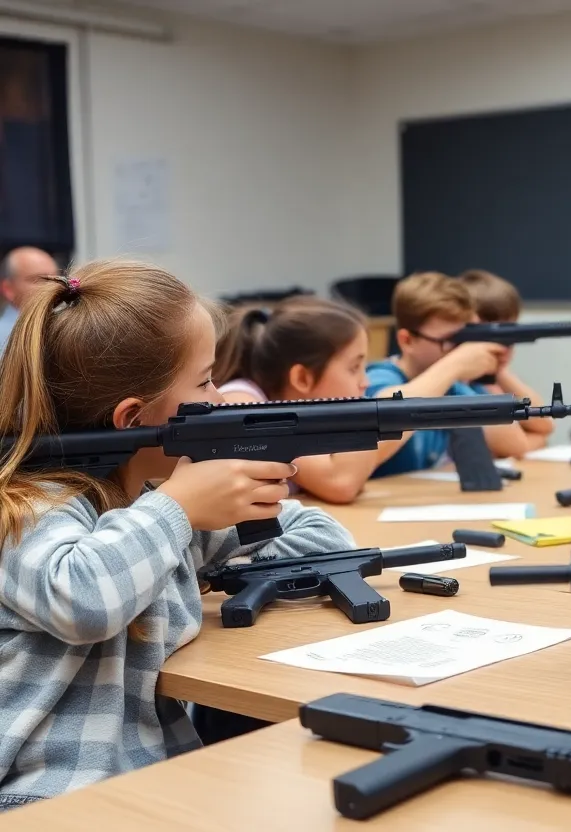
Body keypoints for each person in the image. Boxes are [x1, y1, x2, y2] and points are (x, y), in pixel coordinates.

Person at [0, 259, 355, 809]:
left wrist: (257, 490)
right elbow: (81, 599)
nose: (219, 397)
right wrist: (180, 505)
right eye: (206, 380)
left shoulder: (153, 512)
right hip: (47, 801)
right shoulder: (21, 508)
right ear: (133, 417)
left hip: (150, 784)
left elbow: (324, 541)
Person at [213, 296, 408, 503]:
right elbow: (342, 482)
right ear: (302, 378)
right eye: (353, 368)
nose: (365, 383)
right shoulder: (243, 404)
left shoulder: (308, 417)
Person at [365, 272, 528, 476]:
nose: (460, 350)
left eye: (464, 340)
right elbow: (382, 418)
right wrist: (455, 365)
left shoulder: (452, 386)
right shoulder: (380, 377)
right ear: (407, 341)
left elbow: (516, 446)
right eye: (448, 341)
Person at [457, 268, 554, 451]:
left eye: (511, 338)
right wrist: (537, 441)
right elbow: (519, 447)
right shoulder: (462, 386)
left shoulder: (492, 382)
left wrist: (500, 372)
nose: (505, 348)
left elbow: (545, 424)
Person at [0, 246, 58, 352]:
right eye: (39, 279)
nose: (52, 286)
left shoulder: (67, 328)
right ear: (8, 289)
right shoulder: (5, 339)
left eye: (57, 279)